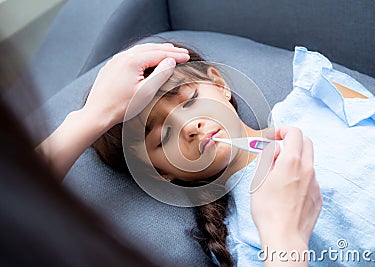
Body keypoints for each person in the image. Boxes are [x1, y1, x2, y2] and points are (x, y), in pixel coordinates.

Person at [37, 42, 320, 266]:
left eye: (190, 100)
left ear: (219, 83)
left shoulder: (312, 99)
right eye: (163, 138)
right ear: (162, 173)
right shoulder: (245, 240)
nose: (189, 128)